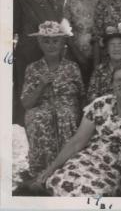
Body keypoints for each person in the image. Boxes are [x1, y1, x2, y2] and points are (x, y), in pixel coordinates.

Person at [37, 63, 121, 196]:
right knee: (57, 181)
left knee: (88, 194)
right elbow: (77, 142)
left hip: (118, 169)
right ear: (112, 84)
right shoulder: (101, 104)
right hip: (89, 159)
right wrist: (52, 168)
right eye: (118, 80)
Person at [21, 19, 84, 177]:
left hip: (68, 109)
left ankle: (67, 168)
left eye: (56, 41)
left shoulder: (72, 67)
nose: (51, 45)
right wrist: (41, 85)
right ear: (40, 44)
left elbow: (82, 96)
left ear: (63, 43)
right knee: (39, 117)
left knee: (65, 115)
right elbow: (26, 103)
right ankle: (41, 171)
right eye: (46, 41)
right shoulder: (33, 68)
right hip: (40, 108)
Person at [14, 0, 62, 126]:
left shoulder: (51, 4)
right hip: (26, 57)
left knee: (46, 99)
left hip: (47, 58)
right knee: (27, 99)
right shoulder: (19, 2)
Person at [63, 0, 111, 87]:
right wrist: (78, 55)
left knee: (99, 86)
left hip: (102, 52)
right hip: (75, 51)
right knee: (76, 88)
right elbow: (65, 28)